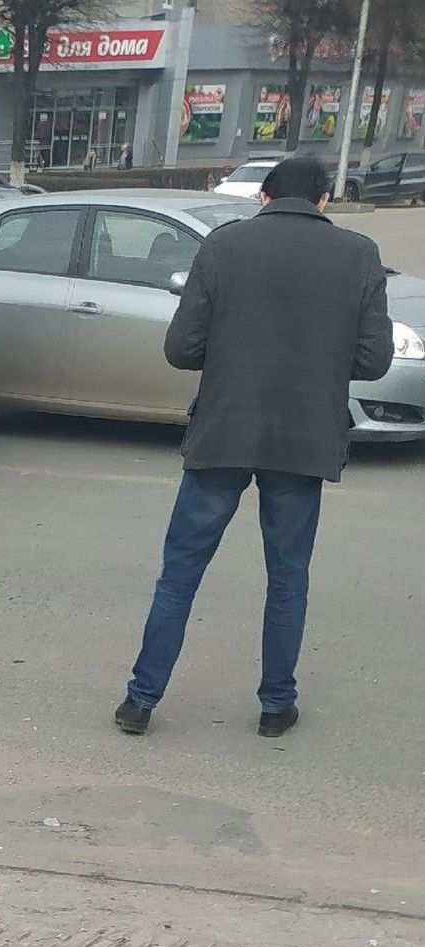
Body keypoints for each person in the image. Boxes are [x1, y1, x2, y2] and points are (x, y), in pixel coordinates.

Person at [115, 158, 392, 739]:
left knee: (180, 572)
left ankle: (141, 701)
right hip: (304, 438)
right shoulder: (359, 255)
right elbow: (373, 361)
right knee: (288, 575)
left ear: (263, 197)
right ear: (324, 201)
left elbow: (180, 349)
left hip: (224, 431)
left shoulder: (223, 246)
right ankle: (275, 706)